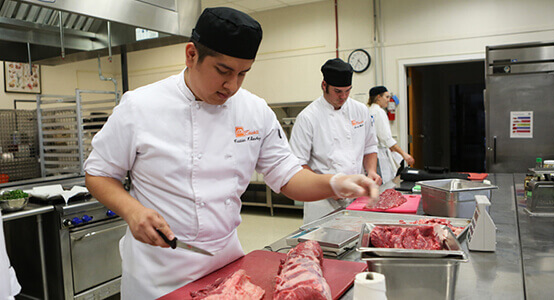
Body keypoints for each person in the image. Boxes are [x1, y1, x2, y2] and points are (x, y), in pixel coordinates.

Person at [83, 7, 378, 299]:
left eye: (242, 74)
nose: (232, 85)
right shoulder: (140, 106)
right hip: (160, 273)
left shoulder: (254, 110)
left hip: (228, 268)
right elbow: (98, 173)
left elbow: (287, 176)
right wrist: (132, 211)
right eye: (223, 71)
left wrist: (334, 182)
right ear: (191, 55)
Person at [289, 58, 381, 224]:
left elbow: (370, 146)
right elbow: (298, 164)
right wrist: (331, 187)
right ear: (324, 85)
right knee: (323, 245)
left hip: (357, 197)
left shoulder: (360, 110)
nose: (343, 96)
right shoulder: (308, 117)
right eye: (338, 91)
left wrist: (372, 171)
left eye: (348, 91)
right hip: (322, 201)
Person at [367, 86, 415, 183]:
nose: (389, 100)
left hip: (370, 156)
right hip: (379, 155)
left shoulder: (368, 111)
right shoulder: (379, 112)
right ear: (378, 97)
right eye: (387, 97)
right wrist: (404, 154)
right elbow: (386, 139)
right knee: (383, 184)